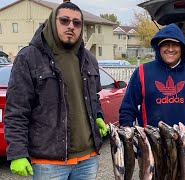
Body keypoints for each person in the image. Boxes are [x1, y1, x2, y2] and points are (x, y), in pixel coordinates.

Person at [4, 2, 108, 179]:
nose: (71, 26)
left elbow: (93, 97)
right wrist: (17, 153)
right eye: (65, 20)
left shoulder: (88, 58)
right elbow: (16, 110)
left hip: (88, 158)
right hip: (49, 162)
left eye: (77, 23)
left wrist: (98, 116)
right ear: (53, 22)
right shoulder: (29, 57)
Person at [119, 23, 185, 127]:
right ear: (159, 47)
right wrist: (127, 131)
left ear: (182, 48)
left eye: (175, 45)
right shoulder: (142, 72)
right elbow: (128, 108)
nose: (170, 49)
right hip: (151, 140)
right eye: (166, 44)